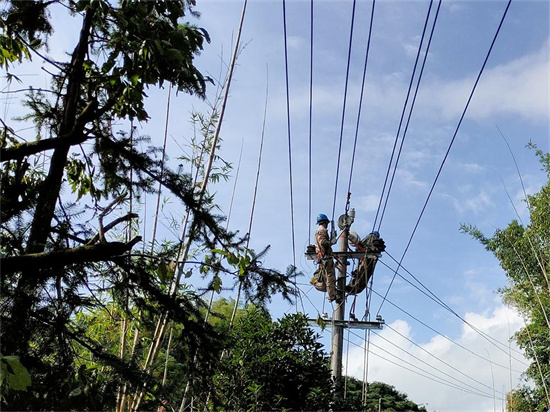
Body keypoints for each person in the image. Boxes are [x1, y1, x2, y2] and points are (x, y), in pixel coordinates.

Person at [313, 213, 337, 302]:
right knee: (330, 277)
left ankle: (314, 283)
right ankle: (332, 296)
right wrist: (331, 242)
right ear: (325, 222)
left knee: (320, 275)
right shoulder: (322, 230)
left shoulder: (318, 230)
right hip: (325, 257)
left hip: (321, 257)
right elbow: (323, 242)